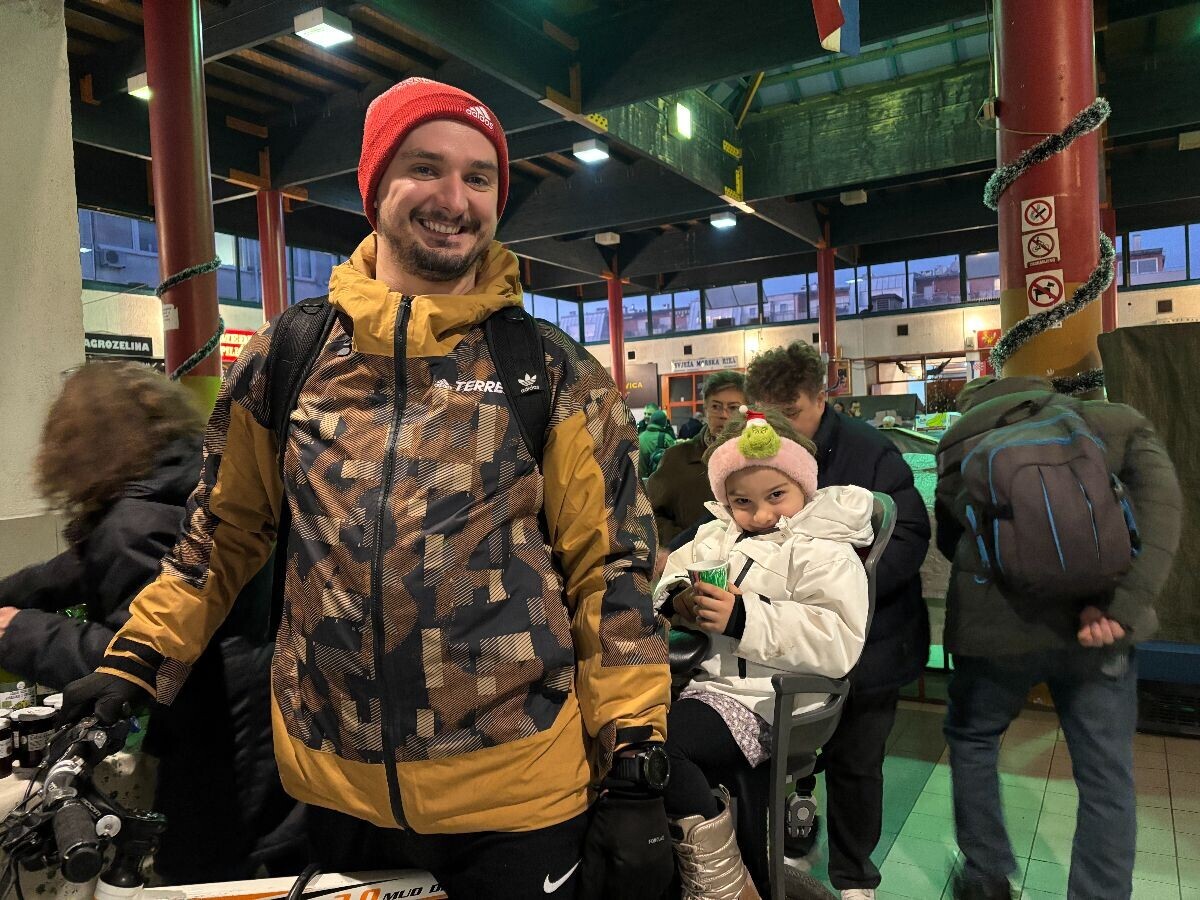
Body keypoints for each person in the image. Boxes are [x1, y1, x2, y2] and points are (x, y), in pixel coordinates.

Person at [61, 78, 672, 900]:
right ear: (374, 188)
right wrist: (136, 663)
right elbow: (221, 536)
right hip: (334, 792)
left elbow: (614, 572)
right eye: (425, 167)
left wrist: (635, 756)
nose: (454, 199)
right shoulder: (291, 355)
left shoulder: (549, 372)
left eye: (479, 177)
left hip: (518, 799)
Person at [0, 361, 294, 882]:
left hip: (220, 743)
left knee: (206, 876)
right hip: (258, 720)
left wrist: (19, 631)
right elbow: (82, 567)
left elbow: (134, 658)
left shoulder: (134, 522)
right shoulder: (182, 492)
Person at [934, 376, 1183, 900]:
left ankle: (986, 877)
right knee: (1105, 774)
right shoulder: (1114, 421)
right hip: (1097, 625)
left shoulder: (960, 438)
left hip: (996, 630)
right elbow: (1163, 514)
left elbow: (951, 538)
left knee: (975, 739)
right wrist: (1122, 607)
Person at [655, 410, 872, 900]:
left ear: (804, 485)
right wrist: (679, 600)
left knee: (660, 747)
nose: (760, 515)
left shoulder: (824, 548)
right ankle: (722, 864)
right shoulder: (716, 534)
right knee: (630, 731)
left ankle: (726, 882)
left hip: (776, 700)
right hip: (712, 687)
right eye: (742, 501)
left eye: (776, 495)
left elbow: (838, 640)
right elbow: (673, 577)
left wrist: (743, 618)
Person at [745, 341, 930, 900]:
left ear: (821, 398)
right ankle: (794, 837)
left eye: (792, 412)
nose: (778, 427)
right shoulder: (759, 452)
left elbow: (909, 534)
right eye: (766, 414)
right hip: (788, 641)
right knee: (783, 754)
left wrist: (845, 592)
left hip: (872, 642)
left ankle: (854, 876)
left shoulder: (869, 451)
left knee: (856, 760)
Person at [648, 370, 746, 546]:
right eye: (716, 406)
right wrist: (682, 542)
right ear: (706, 409)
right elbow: (649, 512)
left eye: (733, 408)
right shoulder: (676, 459)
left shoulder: (760, 459)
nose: (723, 414)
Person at [639, 408, 678, 478]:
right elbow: (676, 461)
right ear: (664, 423)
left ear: (651, 421)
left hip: (640, 481)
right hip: (659, 481)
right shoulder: (666, 438)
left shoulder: (639, 437)